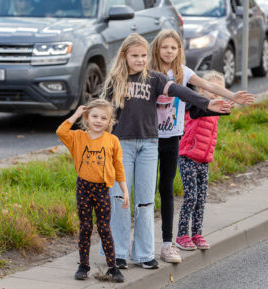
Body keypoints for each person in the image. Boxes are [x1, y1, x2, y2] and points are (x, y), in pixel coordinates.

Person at [99, 33, 233, 270]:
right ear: (125, 56)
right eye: (135, 56)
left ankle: (143, 254)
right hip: (122, 145)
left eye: (142, 55)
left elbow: (181, 92)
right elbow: (103, 113)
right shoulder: (115, 81)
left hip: (150, 144)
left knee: (145, 200)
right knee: (120, 197)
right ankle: (118, 252)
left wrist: (207, 103)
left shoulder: (155, 78)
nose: (140, 60)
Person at [148, 29, 254, 263]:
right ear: (157, 48)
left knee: (166, 188)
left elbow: (208, 85)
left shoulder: (182, 73)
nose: (169, 51)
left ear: (179, 51)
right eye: (165, 47)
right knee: (145, 192)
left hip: (171, 138)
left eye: (174, 48)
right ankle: (141, 246)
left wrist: (233, 96)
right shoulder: (149, 72)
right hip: (148, 137)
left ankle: (169, 243)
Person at [56, 99, 129, 282]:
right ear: (87, 118)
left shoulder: (112, 140)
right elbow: (61, 131)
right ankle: (83, 265)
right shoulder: (78, 137)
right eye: (94, 116)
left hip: (102, 189)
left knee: (104, 228)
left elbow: (118, 166)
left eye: (103, 118)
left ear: (109, 122)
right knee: (86, 227)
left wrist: (124, 190)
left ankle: (112, 267)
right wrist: (76, 114)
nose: (98, 120)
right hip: (84, 188)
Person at [175, 71, 227, 251]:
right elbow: (199, 111)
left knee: (201, 198)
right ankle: (182, 235)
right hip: (188, 157)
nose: (215, 95)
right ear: (200, 89)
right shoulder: (195, 106)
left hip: (204, 160)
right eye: (211, 89)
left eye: (220, 92)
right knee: (191, 196)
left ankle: (197, 234)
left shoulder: (215, 110)